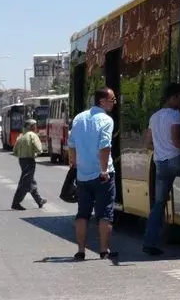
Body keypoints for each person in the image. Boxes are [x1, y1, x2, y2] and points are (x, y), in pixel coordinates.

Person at [67, 87, 118, 260]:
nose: (114, 102)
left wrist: (74, 163)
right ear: (101, 101)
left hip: (82, 176)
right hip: (102, 175)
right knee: (105, 214)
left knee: (82, 214)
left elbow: (71, 143)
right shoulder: (106, 120)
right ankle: (104, 250)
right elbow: (105, 146)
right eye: (112, 100)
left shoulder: (79, 118)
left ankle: (81, 251)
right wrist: (104, 169)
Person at [142, 83, 180, 256]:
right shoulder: (175, 116)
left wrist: (160, 148)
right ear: (173, 97)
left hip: (160, 164)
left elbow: (146, 143)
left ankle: (149, 241)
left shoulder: (154, 117)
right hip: (176, 160)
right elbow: (177, 141)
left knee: (159, 204)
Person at [11, 119, 47, 210]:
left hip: (22, 161)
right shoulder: (32, 136)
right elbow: (39, 149)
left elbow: (14, 151)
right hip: (29, 161)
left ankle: (39, 201)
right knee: (25, 182)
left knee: (30, 181)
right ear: (31, 127)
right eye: (34, 126)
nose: (35, 127)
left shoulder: (21, 136)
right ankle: (16, 203)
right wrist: (34, 154)